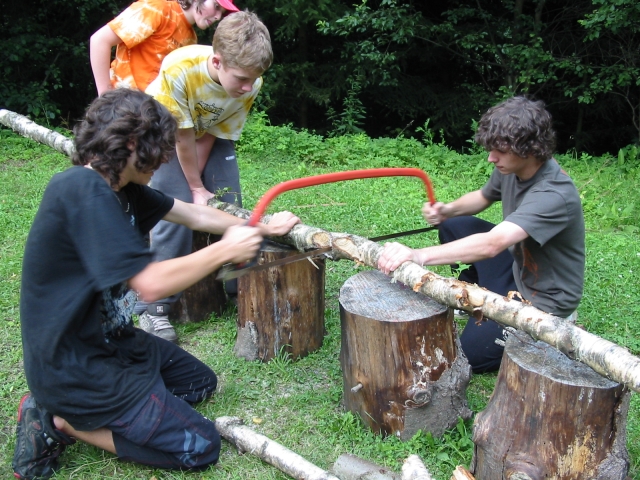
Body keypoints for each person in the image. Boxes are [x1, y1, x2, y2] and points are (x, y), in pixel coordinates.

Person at [12, 88, 300, 480]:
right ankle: (60, 421)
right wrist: (224, 251)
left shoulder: (125, 190)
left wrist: (261, 228)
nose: (166, 158)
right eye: (161, 147)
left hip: (111, 343)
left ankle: (129, 405)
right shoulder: (81, 189)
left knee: (199, 383)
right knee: (200, 445)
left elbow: (195, 216)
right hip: (74, 366)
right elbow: (149, 285)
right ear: (132, 143)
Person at [378, 96, 585, 373]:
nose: (491, 157)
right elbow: (484, 196)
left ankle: (553, 327)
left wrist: (417, 255)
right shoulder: (512, 167)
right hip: (518, 265)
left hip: (545, 299)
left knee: (469, 356)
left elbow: (492, 244)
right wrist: (447, 210)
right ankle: (477, 293)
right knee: (454, 225)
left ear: (529, 149)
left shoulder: (554, 193)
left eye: (500, 151)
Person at [137, 10, 271, 341]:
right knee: (174, 205)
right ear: (217, 62)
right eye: (241, 79)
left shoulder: (250, 82)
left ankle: (236, 285)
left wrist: (204, 186)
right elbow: (182, 136)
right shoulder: (180, 67)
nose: (248, 87)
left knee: (229, 202)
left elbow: (214, 129)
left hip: (206, 135)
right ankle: (155, 307)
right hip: (163, 134)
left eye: (253, 79)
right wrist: (194, 187)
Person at [90, 0, 239, 96]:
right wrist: (104, 99)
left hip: (149, 115)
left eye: (222, 12)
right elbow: (99, 41)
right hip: (120, 105)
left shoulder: (191, 38)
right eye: (216, 6)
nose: (218, 17)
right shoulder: (158, 8)